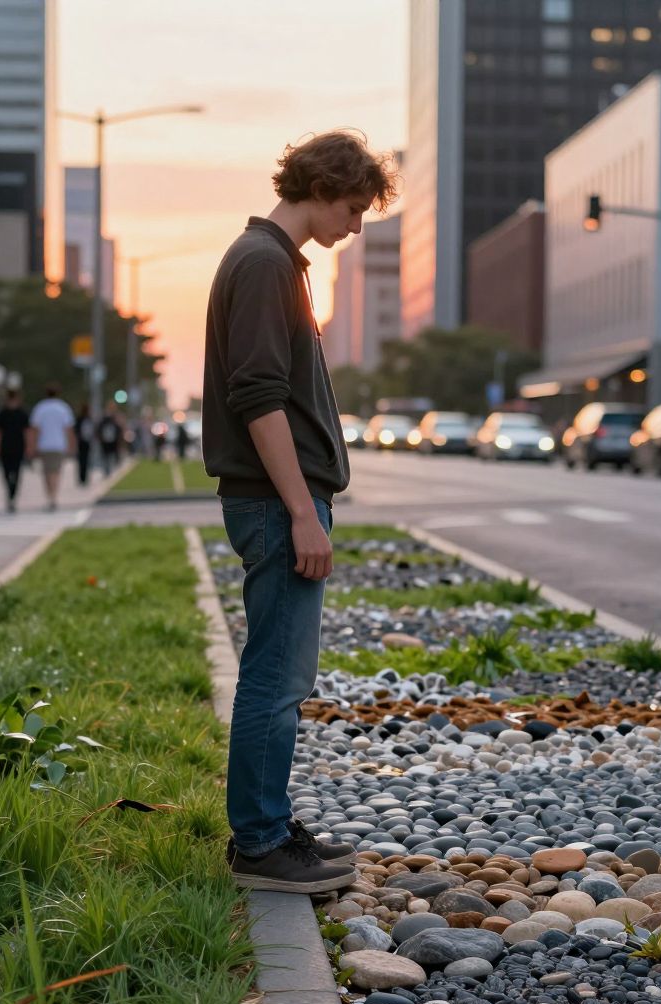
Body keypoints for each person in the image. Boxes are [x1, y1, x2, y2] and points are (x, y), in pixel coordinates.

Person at [206, 129, 396, 893]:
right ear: (321, 188)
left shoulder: (275, 263)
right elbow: (257, 399)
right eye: (352, 208)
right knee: (275, 679)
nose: (356, 226)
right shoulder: (262, 265)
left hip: (278, 500)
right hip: (274, 501)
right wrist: (301, 513)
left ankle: (270, 825)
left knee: (282, 674)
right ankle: (259, 844)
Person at [27, 385, 76, 512]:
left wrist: (32, 445)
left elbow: (35, 429)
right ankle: (53, 496)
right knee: (56, 472)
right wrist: (71, 445)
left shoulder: (40, 408)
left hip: (44, 445)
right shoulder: (63, 408)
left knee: (47, 472)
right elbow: (68, 429)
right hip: (59, 445)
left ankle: (50, 496)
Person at [0, 388, 30, 512]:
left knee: (7, 472)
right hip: (17, 447)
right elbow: (27, 433)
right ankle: (12, 493)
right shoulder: (21, 413)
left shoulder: (2, 413)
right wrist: (29, 447)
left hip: (6, 447)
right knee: (16, 472)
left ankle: (10, 492)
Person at [97, 403, 124, 474]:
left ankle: (109, 469)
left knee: (111, 456)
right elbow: (99, 429)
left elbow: (119, 430)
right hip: (106, 441)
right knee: (107, 456)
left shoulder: (115, 420)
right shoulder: (104, 420)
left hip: (113, 441)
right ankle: (107, 470)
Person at [74, 402, 95, 488]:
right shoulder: (88, 419)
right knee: (86, 460)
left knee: (82, 461)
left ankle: (82, 478)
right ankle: (84, 478)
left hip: (81, 443)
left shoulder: (79, 419)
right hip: (85, 442)